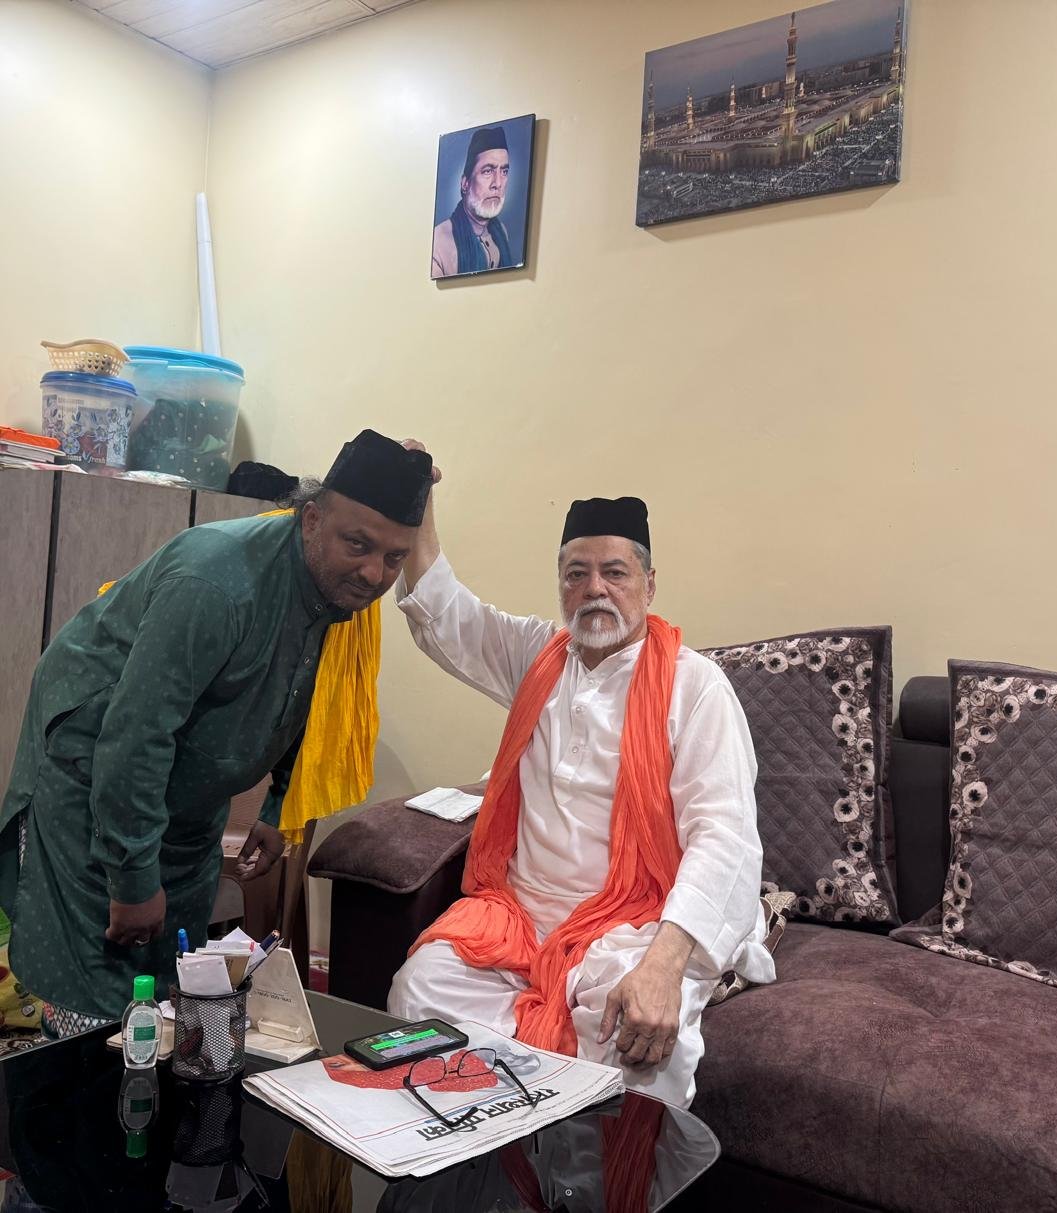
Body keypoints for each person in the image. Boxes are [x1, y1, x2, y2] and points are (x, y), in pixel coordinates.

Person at [0, 429, 433, 1036]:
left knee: (174, 980)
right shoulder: (217, 583)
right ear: (311, 519)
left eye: (393, 558)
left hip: (186, 797)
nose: (373, 572)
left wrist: (277, 805)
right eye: (358, 544)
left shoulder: (327, 585)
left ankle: (146, 1082)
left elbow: (294, 687)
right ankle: (73, 1080)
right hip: (95, 777)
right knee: (96, 992)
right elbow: (133, 735)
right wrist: (132, 880)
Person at [388, 467, 772, 1109]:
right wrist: (417, 498)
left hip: (635, 924)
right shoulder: (539, 657)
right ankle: (477, 1153)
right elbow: (446, 613)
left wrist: (664, 964)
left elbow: (724, 835)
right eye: (576, 574)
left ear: (649, 584)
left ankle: (578, 1164)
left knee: (630, 1034)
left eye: (615, 572)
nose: (595, 589)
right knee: (420, 990)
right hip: (518, 916)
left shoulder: (695, 685)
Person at [431, 125, 515, 278]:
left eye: (504, 171)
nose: (497, 183)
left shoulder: (501, 231)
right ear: (465, 183)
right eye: (487, 171)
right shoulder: (437, 242)